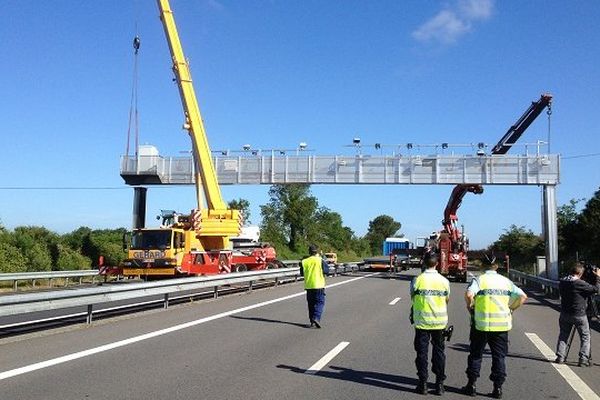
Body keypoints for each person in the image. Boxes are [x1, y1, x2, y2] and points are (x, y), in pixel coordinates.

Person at [462, 255, 527, 399]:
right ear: (497, 266)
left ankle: (471, 385)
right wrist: (511, 308)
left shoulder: (479, 280)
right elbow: (523, 297)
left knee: (476, 355)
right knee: (499, 357)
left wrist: (470, 305)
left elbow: (468, 294)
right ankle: (497, 388)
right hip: (502, 326)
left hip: (481, 325)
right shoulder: (506, 281)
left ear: (482, 266)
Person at [410, 254, 450, 395]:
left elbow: (413, 297)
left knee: (422, 353)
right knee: (439, 352)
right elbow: (447, 299)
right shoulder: (444, 281)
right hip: (439, 323)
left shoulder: (417, 280)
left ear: (424, 263)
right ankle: (439, 385)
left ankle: (423, 384)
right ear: (437, 264)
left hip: (422, 323)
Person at [554, 262, 600, 366]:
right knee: (585, 337)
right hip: (579, 315)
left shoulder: (562, 281)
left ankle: (560, 357)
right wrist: (597, 277)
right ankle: (583, 359)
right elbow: (596, 289)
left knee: (563, 335)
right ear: (580, 273)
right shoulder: (579, 283)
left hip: (565, 313)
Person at [300, 244, 329, 328]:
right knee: (320, 302)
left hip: (309, 286)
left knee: (311, 304)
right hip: (319, 285)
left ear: (309, 252)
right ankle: (316, 318)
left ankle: (312, 321)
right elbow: (326, 271)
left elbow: (302, 273)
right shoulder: (320, 260)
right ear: (317, 251)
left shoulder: (304, 261)